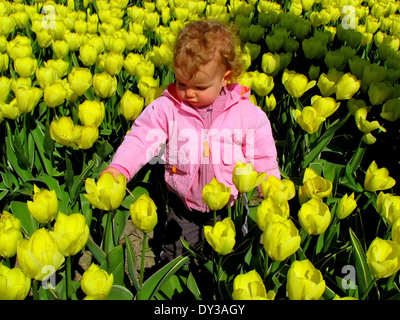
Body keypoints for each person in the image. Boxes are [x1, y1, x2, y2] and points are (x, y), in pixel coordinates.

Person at [101, 19, 280, 262]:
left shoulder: (246, 115)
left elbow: (263, 157)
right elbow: (141, 138)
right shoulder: (167, 109)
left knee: (232, 257)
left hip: (230, 207)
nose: (188, 93)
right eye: (181, 83)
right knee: (175, 255)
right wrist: (119, 169)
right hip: (183, 206)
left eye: (199, 86)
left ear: (225, 78)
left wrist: (271, 188)